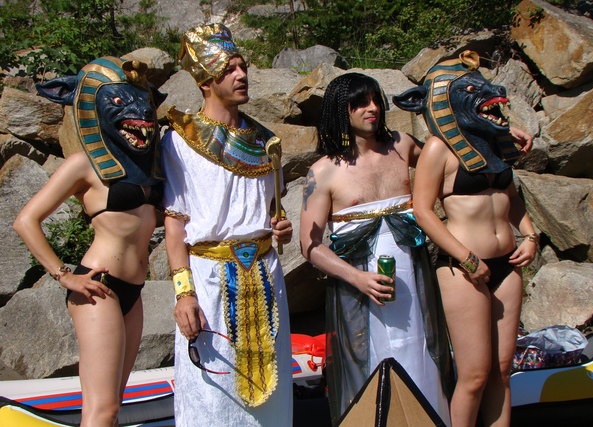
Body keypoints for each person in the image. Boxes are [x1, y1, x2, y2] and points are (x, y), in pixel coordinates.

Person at [13, 57, 164, 426]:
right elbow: (26, 221)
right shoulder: (84, 164)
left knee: (113, 407)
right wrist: (63, 275)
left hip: (133, 290)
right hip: (98, 286)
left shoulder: (149, 165)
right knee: (102, 409)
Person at [299, 72, 454, 425]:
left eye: (375, 100)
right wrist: (358, 278)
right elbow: (310, 244)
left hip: (414, 282)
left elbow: (450, 164)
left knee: (421, 355)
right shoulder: (322, 172)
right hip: (359, 291)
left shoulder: (402, 146)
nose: (372, 108)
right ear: (341, 110)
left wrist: (501, 137)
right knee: (371, 362)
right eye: (360, 103)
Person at [395, 51, 537, 427]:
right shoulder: (438, 148)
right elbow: (423, 211)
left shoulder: (495, 142)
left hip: (508, 263)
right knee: (474, 375)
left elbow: (509, 197)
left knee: (502, 371)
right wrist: (466, 257)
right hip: (462, 267)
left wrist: (530, 235)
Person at [161, 23, 293, 426]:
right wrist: (184, 294)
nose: (241, 75)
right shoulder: (180, 140)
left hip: (266, 274)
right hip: (210, 280)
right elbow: (175, 226)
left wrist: (280, 227)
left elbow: (272, 210)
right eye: (229, 69)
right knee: (210, 395)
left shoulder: (265, 142)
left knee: (273, 398)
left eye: (242, 66)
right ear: (206, 81)